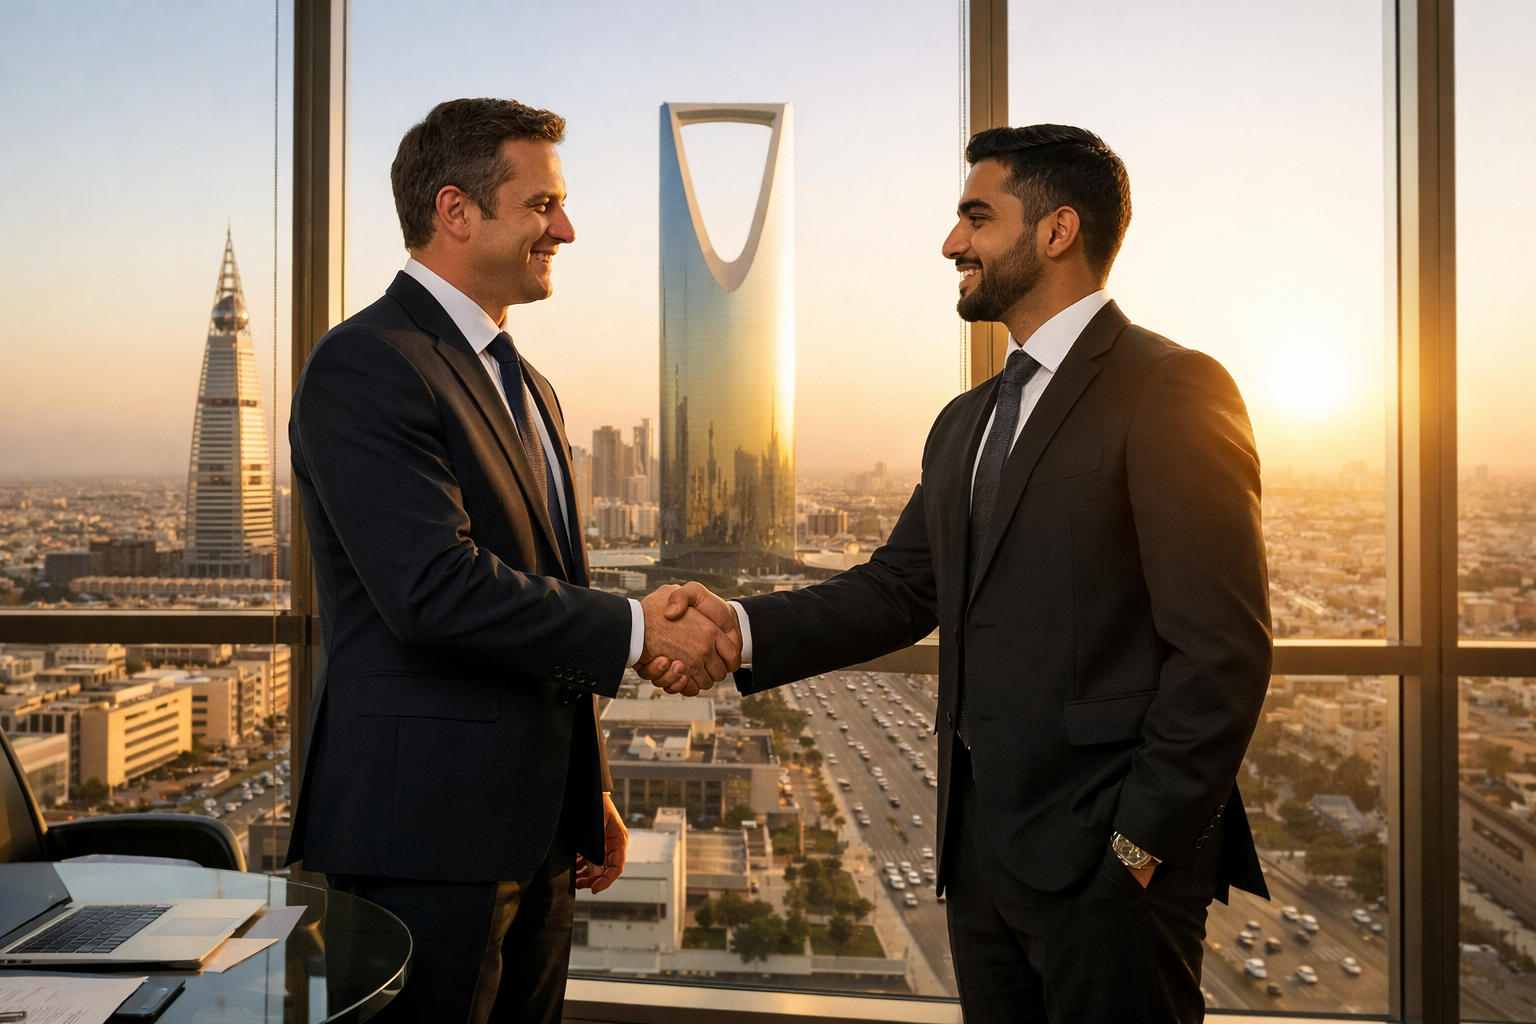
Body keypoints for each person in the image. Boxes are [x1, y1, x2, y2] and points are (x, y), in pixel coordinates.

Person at [663, 124, 1273, 1022]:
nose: (952, 243)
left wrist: (1137, 852)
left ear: (1058, 231)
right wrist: (739, 627)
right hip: (982, 864)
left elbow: (1222, 653)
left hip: (1110, 873)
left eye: (976, 218)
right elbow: (899, 588)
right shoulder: (965, 421)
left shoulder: (1171, 387)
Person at [285, 97, 738, 1024]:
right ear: (456, 211)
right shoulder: (367, 361)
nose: (564, 229)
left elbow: (547, 594)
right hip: (426, 836)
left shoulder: (527, 383)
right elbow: (431, 589)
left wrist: (590, 788)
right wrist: (638, 625)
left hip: (536, 833)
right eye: (542, 206)